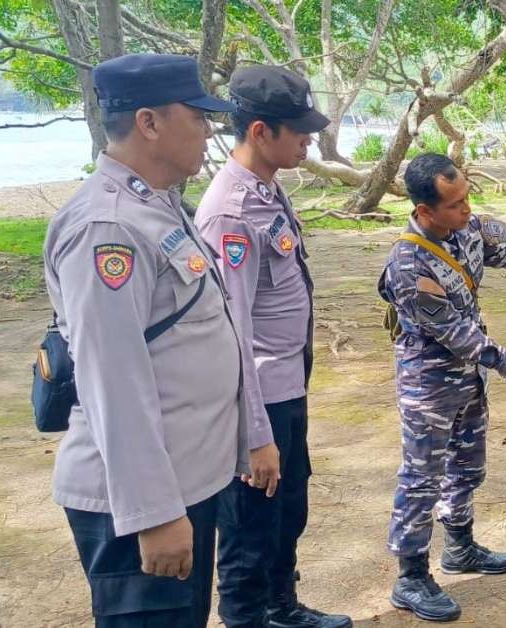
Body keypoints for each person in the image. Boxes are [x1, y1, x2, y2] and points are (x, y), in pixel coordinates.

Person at [43, 53, 250, 627]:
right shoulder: (107, 227)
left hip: (184, 481)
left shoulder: (156, 205)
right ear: (149, 123)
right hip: (139, 503)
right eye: (198, 116)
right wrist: (153, 514)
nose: (209, 131)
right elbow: (114, 379)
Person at [194, 65, 351, 628]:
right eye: (297, 129)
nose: (308, 138)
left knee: (287, 512)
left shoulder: (268, 188)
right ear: (261, 131)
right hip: (256, 397)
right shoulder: (231, 212)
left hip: (287, 388)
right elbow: (231, 329)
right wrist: (254, 434)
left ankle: (281, 607)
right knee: (249, 531)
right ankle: (248, 616)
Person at [378, 153, 506, 622]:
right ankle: (411, 576)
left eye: (467, 197)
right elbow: (458, 336)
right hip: (429, 386)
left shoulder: (471, 229)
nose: (467, 209)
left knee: (465, 467)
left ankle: (459, 547)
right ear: (425, 212)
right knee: (421, 479)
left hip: (469, 379)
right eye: (456, 204)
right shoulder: (408, 265)